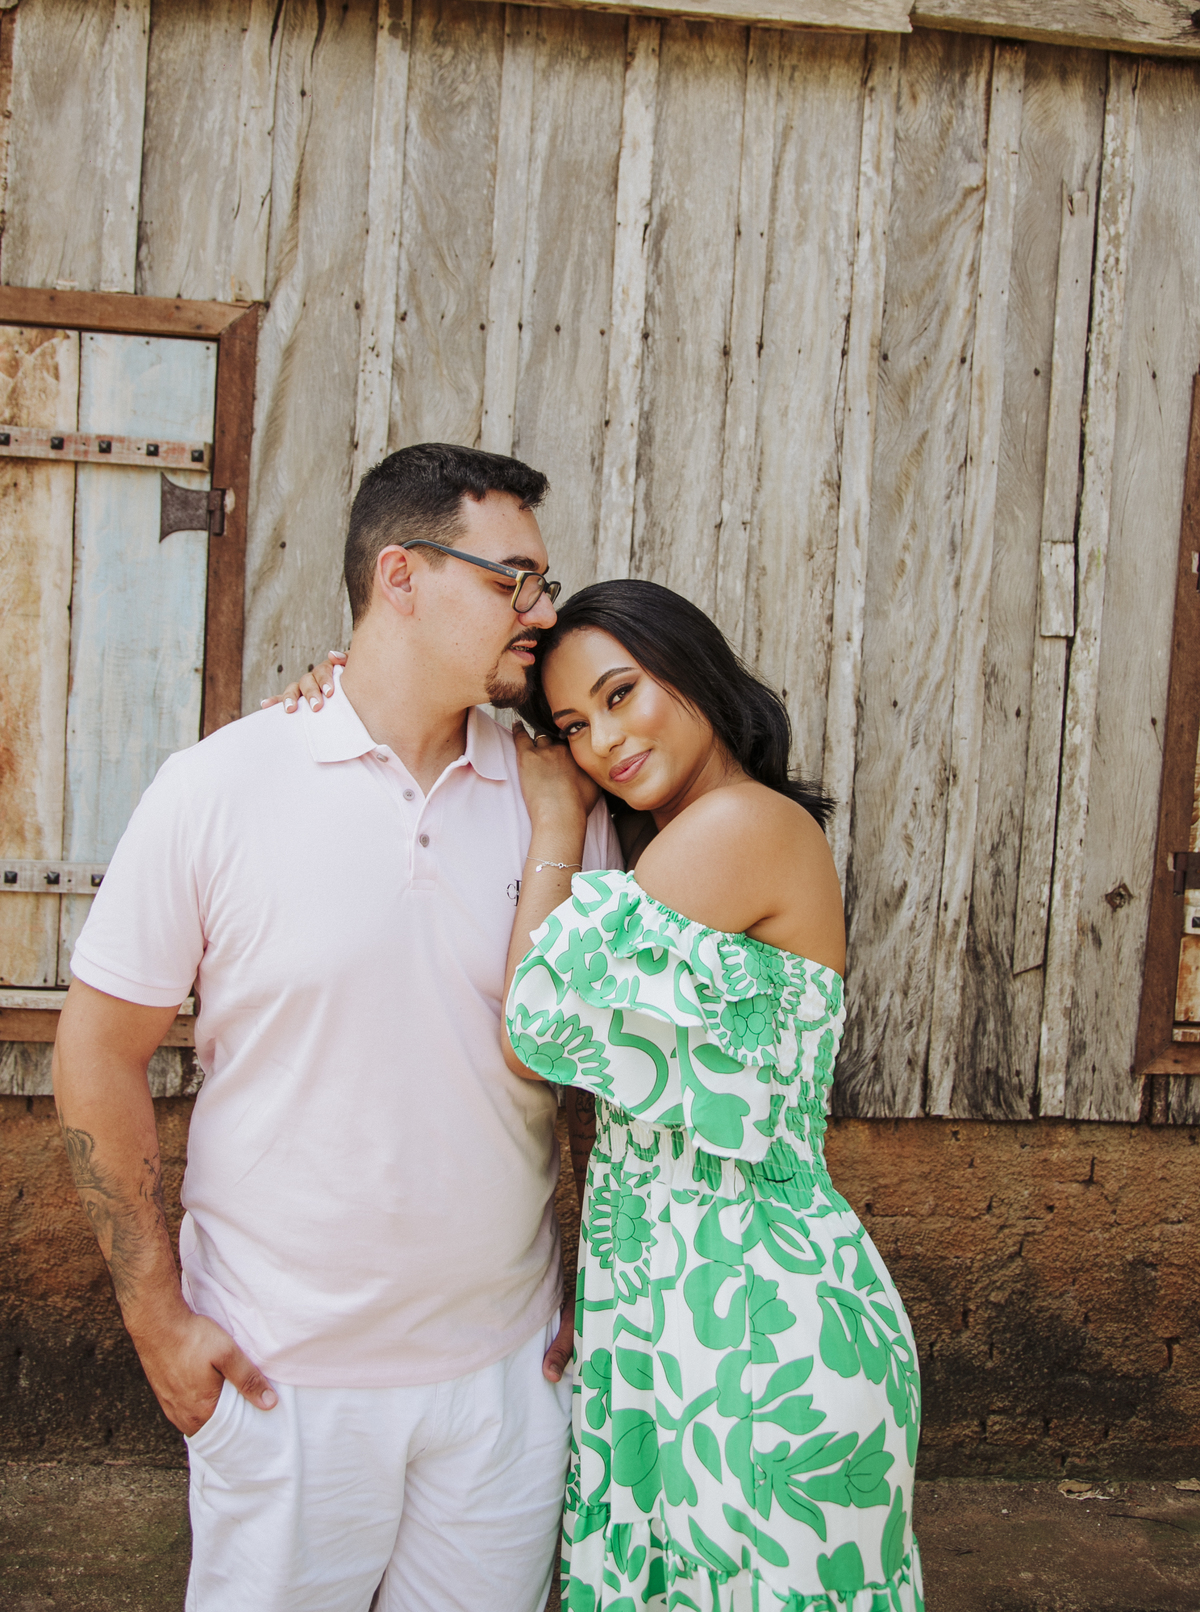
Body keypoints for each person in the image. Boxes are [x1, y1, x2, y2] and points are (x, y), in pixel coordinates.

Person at [52, 443, 621, 1612]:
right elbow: (98, 1052)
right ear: (401, 575)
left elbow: (597, 1067)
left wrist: (597, 1289)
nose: (542, 611)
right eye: (513, 580)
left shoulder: (561, 801)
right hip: (282, 1385)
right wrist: (155, 1318)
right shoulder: (220, 787)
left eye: (546, 583)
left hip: (506, 1385)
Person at [498, 579, 924, 1612]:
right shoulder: (682, 850)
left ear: (694, 670)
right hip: (687, 1308)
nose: (602, 741)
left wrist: (555, 819)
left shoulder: (740, 825)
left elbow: (538, 1022)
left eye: (620, 694)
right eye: (572, 726)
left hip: (764, 1325)